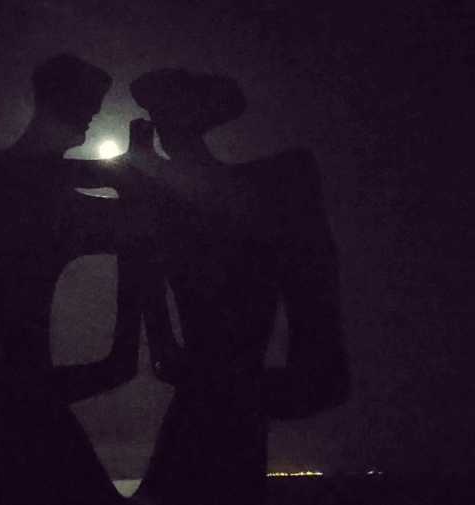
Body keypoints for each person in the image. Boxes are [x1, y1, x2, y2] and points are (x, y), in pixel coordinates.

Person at [0, 53, 150, 505]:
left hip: (18, 391)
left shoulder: (35, 196)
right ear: (53, 97)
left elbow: (133, 225)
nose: (91, 113)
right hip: (17, 389)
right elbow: (26, 180)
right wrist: (115, 173)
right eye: (84, 100)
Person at [126, 69, 351, 505]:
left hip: (222, 394)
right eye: (161, 115)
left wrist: (146, 168)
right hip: (211, 393)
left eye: (174, 113)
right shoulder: (174, 200)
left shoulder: (271, 182)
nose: (164, 124)